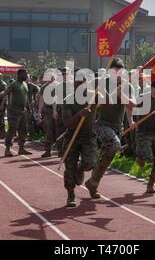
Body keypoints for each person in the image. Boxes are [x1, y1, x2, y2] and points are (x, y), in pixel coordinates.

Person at [84, 58, 136, 200]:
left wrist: (121, 95)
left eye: (121, 68)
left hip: (117, 127)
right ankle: (87, 169)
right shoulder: (102, 83)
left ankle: (93, 182)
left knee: (108, 154)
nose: (118, 71)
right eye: (116, 68)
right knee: (115, 145)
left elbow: (132, 105)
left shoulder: (127, 86)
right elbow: (94, 102)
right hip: (101, 124)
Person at [62, 70, 98, 207]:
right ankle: (71, 195)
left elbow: (108, 102)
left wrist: (101, 86)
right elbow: (67, 123)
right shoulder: (68, 100)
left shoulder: (93, 96)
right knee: (69, 167)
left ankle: (81, 168)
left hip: (88, 136)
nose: (81, 84)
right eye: (78, 82)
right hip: (72, 136)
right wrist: (79, 114)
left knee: (89, 163)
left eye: (83, 81)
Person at [0, 69, 39, 157]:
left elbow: (26, 98)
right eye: (25, 74)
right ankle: (7, 149)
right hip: (14, 111)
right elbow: (5, 92)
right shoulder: (14, 84)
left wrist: (29, 108)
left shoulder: (25, 84)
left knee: (24, 130)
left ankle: (21, 148)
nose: (26, 76)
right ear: (19, 75)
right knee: (12, 130)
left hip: (23, 110)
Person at [38, 76, 57, 157]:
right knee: (48, 131)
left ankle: (60, 150)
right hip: (47, 111)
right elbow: (41, 100)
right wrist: (39, 112)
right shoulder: (43, 87)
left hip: (58, 111)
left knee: (59, 130)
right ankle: (48, 150)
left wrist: (54, 110)